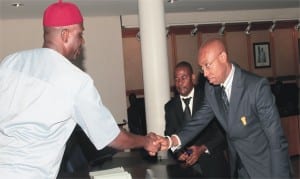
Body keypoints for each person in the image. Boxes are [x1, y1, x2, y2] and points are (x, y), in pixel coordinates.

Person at [0, 1, 159, 178]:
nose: (82, 41)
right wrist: (145, 141)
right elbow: (112, 137)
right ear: (65, 34)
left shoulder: (10, 63)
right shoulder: (75, 80)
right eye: (80, 34)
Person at [159, 38, 292, 178]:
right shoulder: (211, 89)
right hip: (239, 169)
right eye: (202, 68)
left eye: (208, 65)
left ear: (223, 57)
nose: (204, 73)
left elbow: (276, 140)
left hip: (265, 168)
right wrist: (171, 141)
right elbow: (199, 120)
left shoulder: (256, 87)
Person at [164, 61, 229, 178]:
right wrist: (177, 153)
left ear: (193, 78)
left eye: (184, 77)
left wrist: (202, 148)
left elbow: (221, 132)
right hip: (185, 170)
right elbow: (169, 133)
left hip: (213, 166)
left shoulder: (208, 99)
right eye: (177, 79)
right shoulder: (170, 107)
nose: (179, 82)